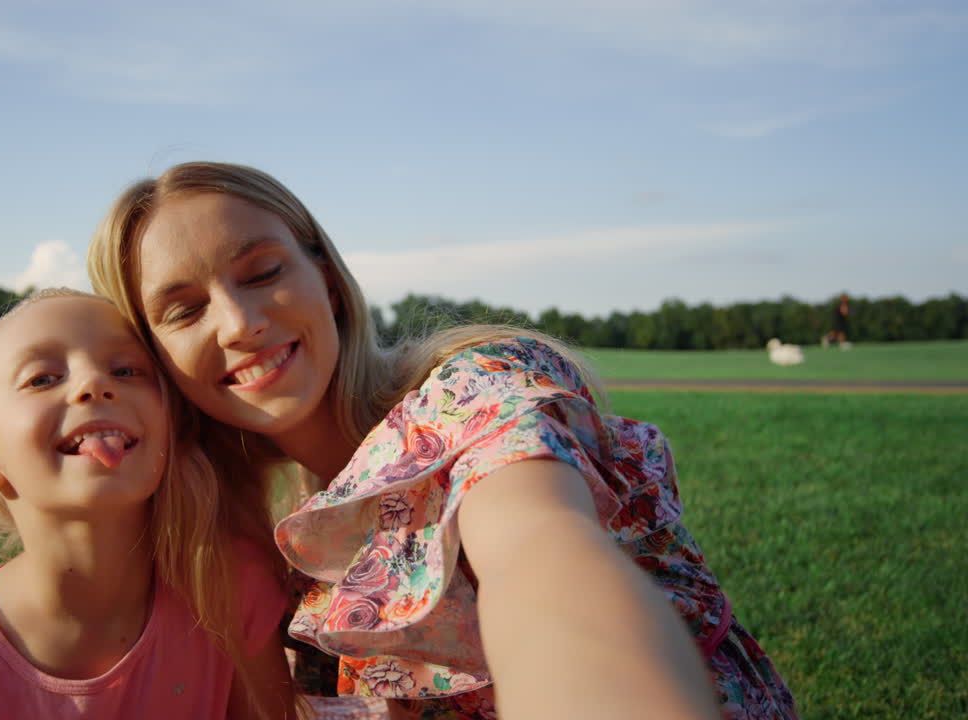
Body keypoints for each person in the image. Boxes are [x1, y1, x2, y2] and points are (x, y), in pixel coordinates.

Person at [87, 162, 798, 720]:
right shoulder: (275, 539)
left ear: (327, 280)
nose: (239, 322)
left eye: (264, 273)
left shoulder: (470, 393)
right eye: (184, 310)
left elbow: (538, 553)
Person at [0, 288, 297, 720]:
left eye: (126, 370)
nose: (94, 383)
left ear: (171, 426)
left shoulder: (231, 593)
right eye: (42, 379)